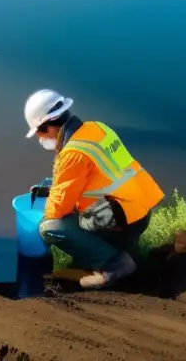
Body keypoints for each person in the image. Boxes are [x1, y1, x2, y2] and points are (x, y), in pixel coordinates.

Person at [25, 89, 164, 290]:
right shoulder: (97, 128)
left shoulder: (72, 154)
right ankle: (123, 248)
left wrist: (43, 213)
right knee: (71, 212)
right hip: (139, 212)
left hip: (121, 222)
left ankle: (115, 265)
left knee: (49, 228)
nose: (39, 138)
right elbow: (98, 177)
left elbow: (56, 211)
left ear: (48, 126)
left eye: (38, 132)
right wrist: (51, 190)